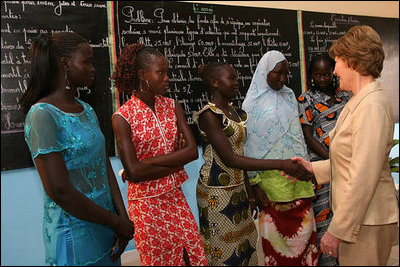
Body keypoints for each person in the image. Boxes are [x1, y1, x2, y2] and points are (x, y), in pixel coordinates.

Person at [20, 32, 134, 266]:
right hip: (73, 231)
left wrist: (123, 219)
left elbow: (105, 169)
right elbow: (60, 191)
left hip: (106, 224)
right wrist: (114, 221)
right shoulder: (42, 115)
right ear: (65, 64)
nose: (93, 68)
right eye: (87, 61)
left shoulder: (86, 109)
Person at [293, 25, 399, 266]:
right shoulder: (359, 101)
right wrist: (313, 169)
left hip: (368, 221)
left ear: (354, 62)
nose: (335, 70)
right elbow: (350, 160)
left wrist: (336, 230)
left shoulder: (371, 106)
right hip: (362, 219)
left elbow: (363, 176)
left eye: (338, 61)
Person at [192, 62, 312, 266]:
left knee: (245, 246)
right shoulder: (209, 115)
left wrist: (249, 190)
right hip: (216, 192)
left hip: (238, 188)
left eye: (236, 78)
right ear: (214, 82)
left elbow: (241, 153)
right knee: (223, 250)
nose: (237, 83)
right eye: (231, 78)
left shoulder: (234, 112)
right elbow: (231, 159)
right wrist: (281, 164)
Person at [111, 43, 208, 266]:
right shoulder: (122, 117)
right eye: (161, 72)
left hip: (175, 197)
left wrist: (146, 164)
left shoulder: (173, 106)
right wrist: (176, 159)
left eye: (167, 72)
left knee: (193, 256)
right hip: (145, 206)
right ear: (142, 75)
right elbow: (134, 173)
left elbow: (192, 152)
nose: (167, 78)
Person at [242, 50, 319, 266]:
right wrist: (255, 184)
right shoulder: (251, 104)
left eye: (286, 74)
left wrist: (309, 170)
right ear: (265, 71)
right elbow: (249, 148)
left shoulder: (288, 95)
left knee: (304, 239)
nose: (282, 79)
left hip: (298, 179)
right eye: (277, 73)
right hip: (270, 185)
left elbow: (297, 137)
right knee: (276, 245)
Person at [297, 53, 350, 266]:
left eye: (326, 74)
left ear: (333, 73)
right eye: (317, 75)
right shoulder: (305, 99)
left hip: (347, 165)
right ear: (311, 75)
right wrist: (333, 159)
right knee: (325, 219)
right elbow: (308, 137)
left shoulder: (346, 95)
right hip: (321, 166)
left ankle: (348, 259)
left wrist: (343, 161)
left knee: (345, 214)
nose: (322, 78)